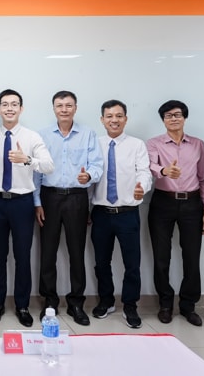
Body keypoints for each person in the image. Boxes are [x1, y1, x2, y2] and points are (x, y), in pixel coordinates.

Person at [0, 89, 53, 328]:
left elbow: (49, 166)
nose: (9, 108)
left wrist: (27, 160)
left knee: (23, 256)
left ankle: (22, 305)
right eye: (5, 104)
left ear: (21, 109)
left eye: (14, 104)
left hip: (22, 203)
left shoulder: (32, 137)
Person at [35, 90, 103, 326]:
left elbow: (97, 166)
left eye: (68, 105)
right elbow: (37, 172)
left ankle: (76, 303)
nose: (64, 109)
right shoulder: (42, 135)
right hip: (49, 197)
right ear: (54, 108)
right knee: (48, 252)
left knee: (77, 252)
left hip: (77, 197)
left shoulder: (88, 134)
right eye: (59, 105)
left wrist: (89, 176)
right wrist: (37, 203)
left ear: (75, 108)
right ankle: (50, 301)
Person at [147, 100, 204, 327]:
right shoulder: (154, 143)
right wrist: (165, 170)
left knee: (192, 257)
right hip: (162, 203)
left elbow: (203, 178)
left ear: (184, 118)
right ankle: (165, 304)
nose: (173, 119)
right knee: (161, 256)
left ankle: (188, 305)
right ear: (163, 120)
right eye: (168, 115)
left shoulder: (198, 144)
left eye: (177, 115)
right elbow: (149, 166)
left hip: (192, 204)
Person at [89, 100, 152, 329]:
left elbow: (144, 172)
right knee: (101, 262)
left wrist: (142, 187)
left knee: (132, 263)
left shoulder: (137, 145)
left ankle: (130, 305)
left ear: (125, 118)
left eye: (118, 116)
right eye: (109, 116)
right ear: (102, 119)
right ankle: (106, 301)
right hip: (101, 213)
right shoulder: (94, 144)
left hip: (127, 213)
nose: (114, 120)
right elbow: (89, 178)